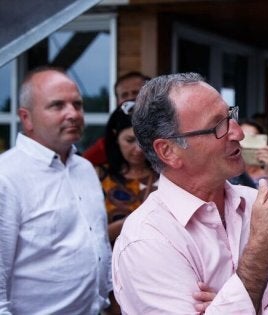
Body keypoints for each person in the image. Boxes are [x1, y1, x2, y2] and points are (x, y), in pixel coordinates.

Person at [112, 72, 268, 313]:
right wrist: (261, 250)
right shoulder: (146, 240)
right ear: (168, 151)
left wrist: (234, 306)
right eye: (217, 126)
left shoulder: (255, 202)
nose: (238, 133)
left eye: (231, 115)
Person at [0, 67, 112, 314]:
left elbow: (98, 243)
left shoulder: (84, 168)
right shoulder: (6, 177)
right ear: (26, 117)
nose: (73, 114)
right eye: (57, 106)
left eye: (78, 104)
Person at [99, 105, 158, 244]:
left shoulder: (167, 175)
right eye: (130, 140)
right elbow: (90, 236)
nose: (138, 149)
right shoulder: (99, 176)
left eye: (143, 140)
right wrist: (133, 221)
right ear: (115, 137)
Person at [83, 71, 150, 166]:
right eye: (124, 95)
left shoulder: (169, 131)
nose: (130, 98)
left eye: (136, 93)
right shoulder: (106, 145)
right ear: (117, 101)